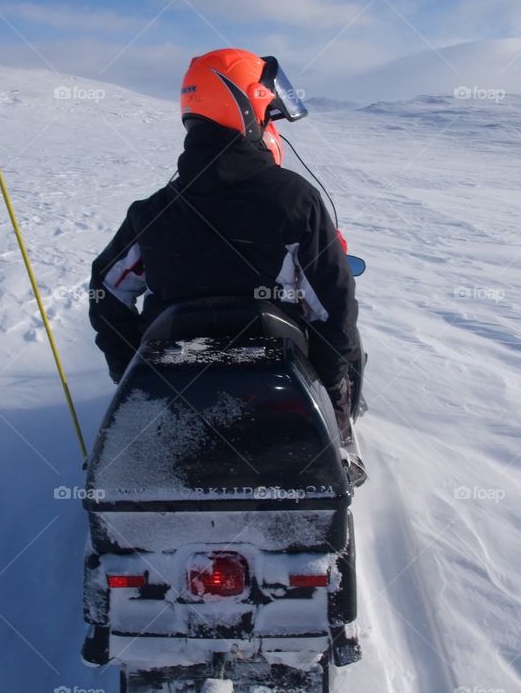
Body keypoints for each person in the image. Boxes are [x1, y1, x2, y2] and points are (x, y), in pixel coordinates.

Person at [88, 48, 362, 440]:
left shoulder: (152, 212)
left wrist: (134, 372)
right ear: (249, 108)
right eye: (270, 115)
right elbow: (333, 310)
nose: (273, 127)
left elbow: (106, 290)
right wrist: (336, 414)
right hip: (282, 394)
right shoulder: (295, 201)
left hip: (176, 390)